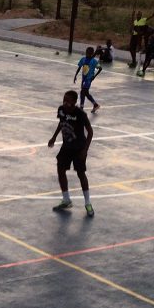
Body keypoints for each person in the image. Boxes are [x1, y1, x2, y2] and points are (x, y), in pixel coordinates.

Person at [47, 89, 95, 217]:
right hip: (67, 146)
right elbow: (61, 123)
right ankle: (66, 199)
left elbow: (90, 132)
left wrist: (85, 151)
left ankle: (88, 202)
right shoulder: (61, 110)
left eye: (68, 101)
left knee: (81, 174)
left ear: (74, 102)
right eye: (64, 99)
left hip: (79, 148)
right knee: (60, 169)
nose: (65, 102)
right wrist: (54, 137)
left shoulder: (80, 114)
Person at [73, 46, 102, 112]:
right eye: (87, 52)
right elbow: (79, 67)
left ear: (92, 53)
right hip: (84, 78)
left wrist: (94, 76)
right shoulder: (83, 59)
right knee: (86, 93)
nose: (88, 54)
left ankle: (81, 107)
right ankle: (95, 105)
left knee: (83, 92)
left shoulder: (94, 61)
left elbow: (100, 68)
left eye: (89, 53)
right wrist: (75, 75)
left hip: (88, 79)